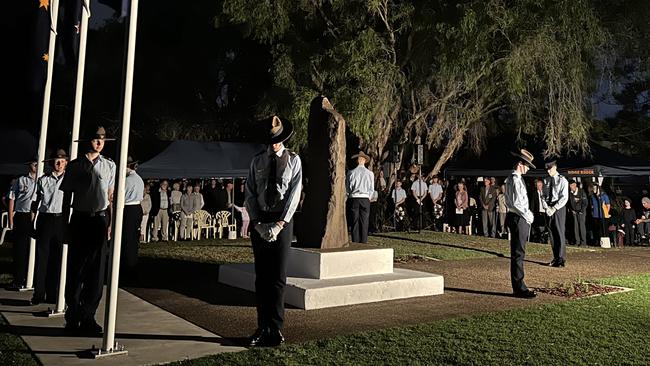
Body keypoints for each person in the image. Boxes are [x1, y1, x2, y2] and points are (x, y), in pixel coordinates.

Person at [245, 116, 302, 347]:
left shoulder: (293, 160)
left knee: (278, 278)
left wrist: (281, 224)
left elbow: (294, 193)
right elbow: (249, 192)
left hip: (282, 221)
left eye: (278, 140)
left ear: (284, 138)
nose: (274, 144)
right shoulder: (257, 161)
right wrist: (257, 223)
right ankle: (261, 327)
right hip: (260, 220)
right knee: (262, 278)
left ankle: (276, 329)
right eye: (271, 140)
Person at [59, 126, 116, 335]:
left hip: (99, 221)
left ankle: (89, 316)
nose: (100, 143)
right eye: (95, 139)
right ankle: (72, 316)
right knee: (75, 270)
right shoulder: (75, 166)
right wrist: (65, 224)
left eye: (102, 139)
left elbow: (110, 197)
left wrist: (110, 224)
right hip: (80, 219)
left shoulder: (110, 165)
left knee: (96, 272)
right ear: (88, 141)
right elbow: (66, 197)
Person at [30, 149, 67, 304]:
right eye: (56, 161)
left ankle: (53, 293)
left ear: (66, 163)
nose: (59, 164)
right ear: (52, 162)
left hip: (61, 219)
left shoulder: (69, 180)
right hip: (45, 219)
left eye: (62, 161)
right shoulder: (43, 180)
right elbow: (34, 202)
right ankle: (38, 293)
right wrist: (32, 223)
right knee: (42, 257)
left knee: (58, 258)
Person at [505, 149, 537, 298]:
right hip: (519, 217)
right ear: (520, 164)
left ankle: (519, 285)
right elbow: (517, 203)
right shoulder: (515, 179)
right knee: (518, 253)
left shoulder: (514, 178)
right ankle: (520, 287)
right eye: (527, 165)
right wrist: (528, 215)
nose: (529, 168)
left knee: (518, 252)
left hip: (517, 217)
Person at [7, 157, 38, 290]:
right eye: (33, 163)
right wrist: (11, 219)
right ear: (29, 165)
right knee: (20, 249)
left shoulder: (42, 180)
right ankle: (18, 279)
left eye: (38, 163)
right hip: (22, 215)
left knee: (35, 250)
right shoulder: (20, 180)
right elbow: (11, 199)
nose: (36, 166)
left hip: (37, 216)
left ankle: (32, 278)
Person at [121, 157, 144, 282]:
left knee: (127, 238)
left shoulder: (127, 180)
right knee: (133, 238)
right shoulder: (139, 179)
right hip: (136, 208)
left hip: (129, 208)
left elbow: (121, 195)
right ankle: (132, 262)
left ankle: (127, 265)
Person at [543, 160, 568, 267]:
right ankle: (556, 257)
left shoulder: (562, 180)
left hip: (558, 208)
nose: (548, 171)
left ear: (555, 168)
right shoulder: (546, 180)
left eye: (550, 169)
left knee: (559, 232)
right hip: (549, 207)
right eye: (547, 169)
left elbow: (564, 197)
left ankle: (561, 258)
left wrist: (554, 208)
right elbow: (543, 195)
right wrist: (546, 207)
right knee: (552, 233)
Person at [346, 151, 374, 243]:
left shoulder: (351, 173)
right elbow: (371, 188)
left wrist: (350, 194)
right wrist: (368, 197)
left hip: (354, 197)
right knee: (364, 221)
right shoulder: (370, 173)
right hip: (365, 198)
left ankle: (355, 241)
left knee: (355, 221)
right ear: (364, 161)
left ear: (357, 161)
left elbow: (348, 188)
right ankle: (364, 241)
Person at [567, 180, 588, 246]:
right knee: (575, 227)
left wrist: (581, 210)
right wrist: (571, 210)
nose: (571, 187)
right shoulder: (570, 193)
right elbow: (569, 203)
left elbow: (585, 203)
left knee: (581, 227)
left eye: (572, 185)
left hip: (581, 212)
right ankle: (577, 241)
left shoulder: (581, 191)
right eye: (570, 185)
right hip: (574, 212)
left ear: (575, 185)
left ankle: (583, 242)